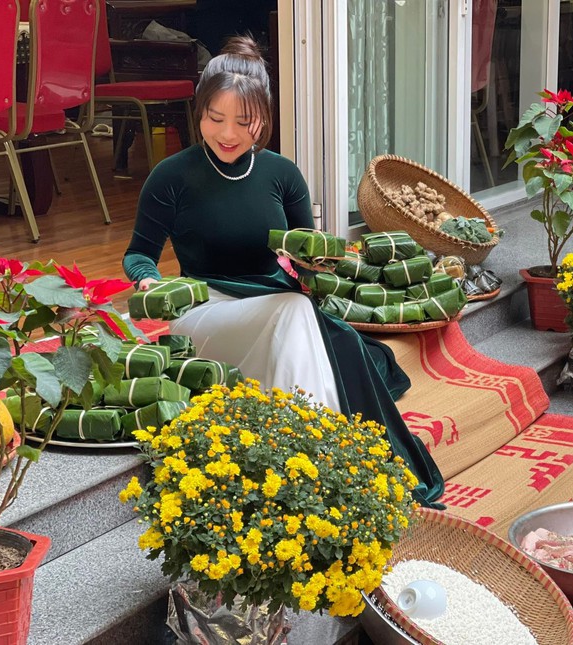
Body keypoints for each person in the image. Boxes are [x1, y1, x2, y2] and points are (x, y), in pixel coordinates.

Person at [122, 36, 444, 508]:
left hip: (276, 303)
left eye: (243, 121)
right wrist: (148, 279)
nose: (227, 133)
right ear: (199, 112)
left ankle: (309, 454)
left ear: (264, 119)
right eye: (215, 118)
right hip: (204, 311)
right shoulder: (170, 176)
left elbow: (304, 255)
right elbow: (138, 254)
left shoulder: (283, 174)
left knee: (306, 315)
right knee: (295, 311)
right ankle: (322, 458)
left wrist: (318, 266)